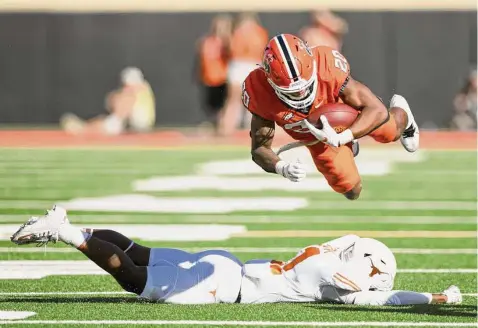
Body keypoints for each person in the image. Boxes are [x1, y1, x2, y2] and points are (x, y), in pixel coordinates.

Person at [11, 206, 462, 306]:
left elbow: (353, 242)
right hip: (227, 285)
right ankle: (66, 232)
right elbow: (383, 299)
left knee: (139, 252)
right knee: (134, 279)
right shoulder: (339, 276)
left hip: (228, 264)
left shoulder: (334, 248)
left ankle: (72, 224)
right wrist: (438, 298)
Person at [242, 34, 420, 200]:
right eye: (294, 92)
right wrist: (282, 168)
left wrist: (344, 136)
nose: (302, 93)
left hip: (345, 114)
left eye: (305, 86)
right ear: (269, 80)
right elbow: (259, 149)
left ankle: (402, 112)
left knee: (391, 132)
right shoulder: (259, 90)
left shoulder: (326, 66)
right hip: (316, 138)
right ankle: (349, 147)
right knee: (351, 191)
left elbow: (377, 110)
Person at [61, 67, 155, 136]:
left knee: (111, 121)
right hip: (142, 123)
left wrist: (114, 102)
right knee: (106, 119)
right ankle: (86, 127)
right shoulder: (144, 87)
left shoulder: (132, 91)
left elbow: (118, 104)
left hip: (138, 123)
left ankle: (84, 129)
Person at [218, 13, 268, 136]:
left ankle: (226, 130)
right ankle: (233, 129)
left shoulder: (237, 33)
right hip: (248, 64)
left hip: (240, 64)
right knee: (248, 101)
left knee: (235, 101)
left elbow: (229, 48)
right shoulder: (259, 33)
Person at [196, 15, 232, 133]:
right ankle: (216, 127)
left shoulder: (227, 42)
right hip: (209, 79)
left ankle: (222, 128)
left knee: (222, 106)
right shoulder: (207, 41)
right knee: (211, 106)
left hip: (222, 78)